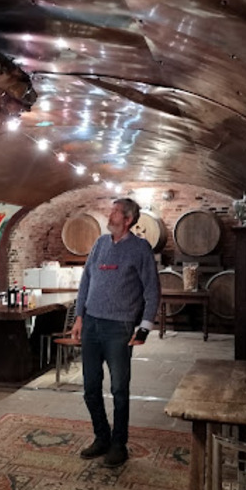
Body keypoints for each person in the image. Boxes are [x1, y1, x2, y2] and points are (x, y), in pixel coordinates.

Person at [70, 197, 160, 468]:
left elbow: (152, 289)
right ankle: (102, 437)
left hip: (119, 327)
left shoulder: (140, 249)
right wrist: (79, 317)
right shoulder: (100, 244)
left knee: (119, 388)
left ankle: (119, 444)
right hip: (91, 324)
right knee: (90, 387)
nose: (110, 216)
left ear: (128, 219)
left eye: (115, 213)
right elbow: (86, 281)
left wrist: (144, 328)